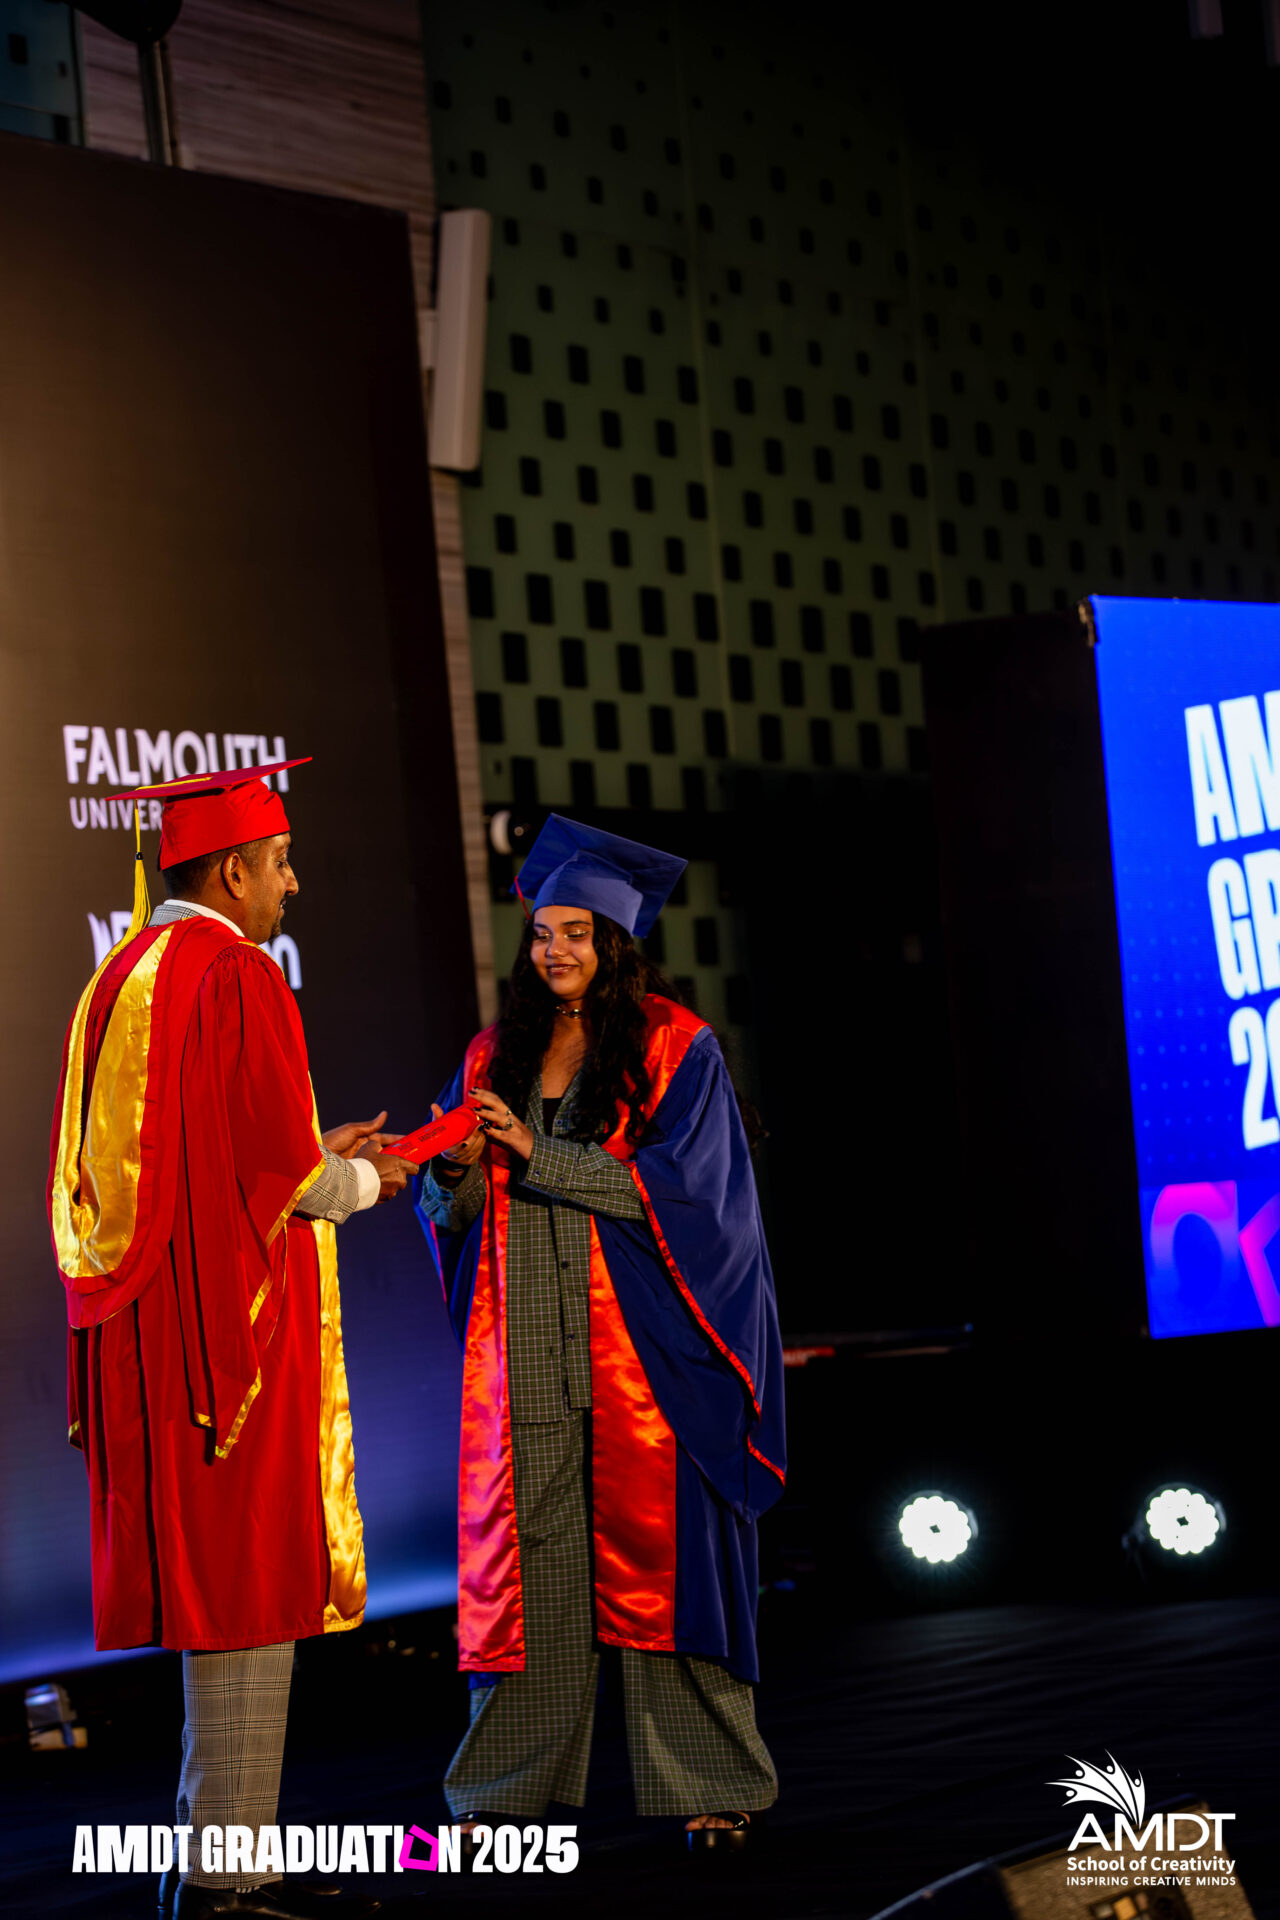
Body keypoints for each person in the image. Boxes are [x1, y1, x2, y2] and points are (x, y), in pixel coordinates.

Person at [47, 759, 412, 1920]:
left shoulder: (122, 974)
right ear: (233, 870)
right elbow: (287, 1184)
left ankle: (218, 1861)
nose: (292, 883)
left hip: (151, 1338)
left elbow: (209, 1153)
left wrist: (308, 1145)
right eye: (280, 862)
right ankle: (221, 1881)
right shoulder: (237, 973)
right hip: (229, 1346)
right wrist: (367, 1176)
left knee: (219, 1604)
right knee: (248, 1602)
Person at [415, 815, 786, 1846]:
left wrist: (539, 1152)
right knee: (528, 1578)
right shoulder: (495, 1051)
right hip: (524, 1344)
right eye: (542, 934)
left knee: (664, 1567)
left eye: (576, 933)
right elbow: (449, 1202)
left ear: (616, 942)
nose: (554, 951)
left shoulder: (675, 1047)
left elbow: (693, 1197)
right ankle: (500, 1795)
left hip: (642, 1353)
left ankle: (710, 1786)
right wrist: (451, 1167)